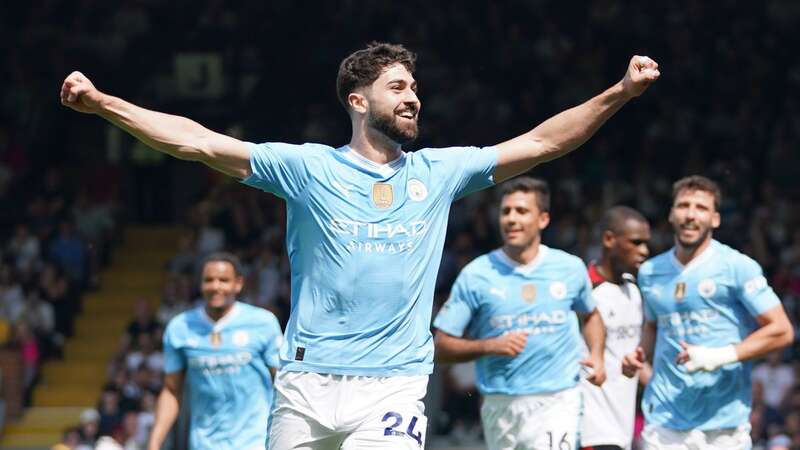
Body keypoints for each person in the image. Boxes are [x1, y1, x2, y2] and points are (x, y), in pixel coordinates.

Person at [61, 42, 659, 449]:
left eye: (415, 88)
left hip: (395, 383)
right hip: (306, 381)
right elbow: (198, 143)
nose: (413, 97)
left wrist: (620, 93)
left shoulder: (440, 172)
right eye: (397, 87)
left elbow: (542, 142)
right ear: (357, 100)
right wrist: (103, 105)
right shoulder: (307, 169)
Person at [433, 177, 607, 450]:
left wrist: (596, 356)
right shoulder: (477, 274)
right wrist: (490, 346)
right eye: (506, 211)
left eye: (522, 211)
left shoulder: (570, 268)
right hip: (500, 404)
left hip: (558, 399)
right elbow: (441, 346)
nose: (512, 219)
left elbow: (592, 315)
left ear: (543, 219)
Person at [622, 175, 794, 449]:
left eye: (701, 208)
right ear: (671, 214)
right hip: (664, 419)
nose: (690, 215)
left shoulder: (737, 266)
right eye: (683, 206)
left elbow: (782, 331)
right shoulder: (650, 272)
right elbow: (654, 325)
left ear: (715, 219)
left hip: (723, 424)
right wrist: (638, 354)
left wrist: (717, 356)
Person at [146, 252, 282, 450]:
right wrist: (154, 442)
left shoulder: (263, 323)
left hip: (256, 441)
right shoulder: (180, 328)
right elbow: (171, 389)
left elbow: (281, 380)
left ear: (238, 284)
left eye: (223, 280)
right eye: (209, 280)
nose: (215, 286)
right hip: (204, 444)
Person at [580, 206, 651, 450]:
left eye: (646, 243)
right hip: (589, 430)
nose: (644, 251)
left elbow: (629, 355)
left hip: (622, 428)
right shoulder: (583, 291)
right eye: (636, 242)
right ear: (609, 239)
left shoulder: (633, 289)